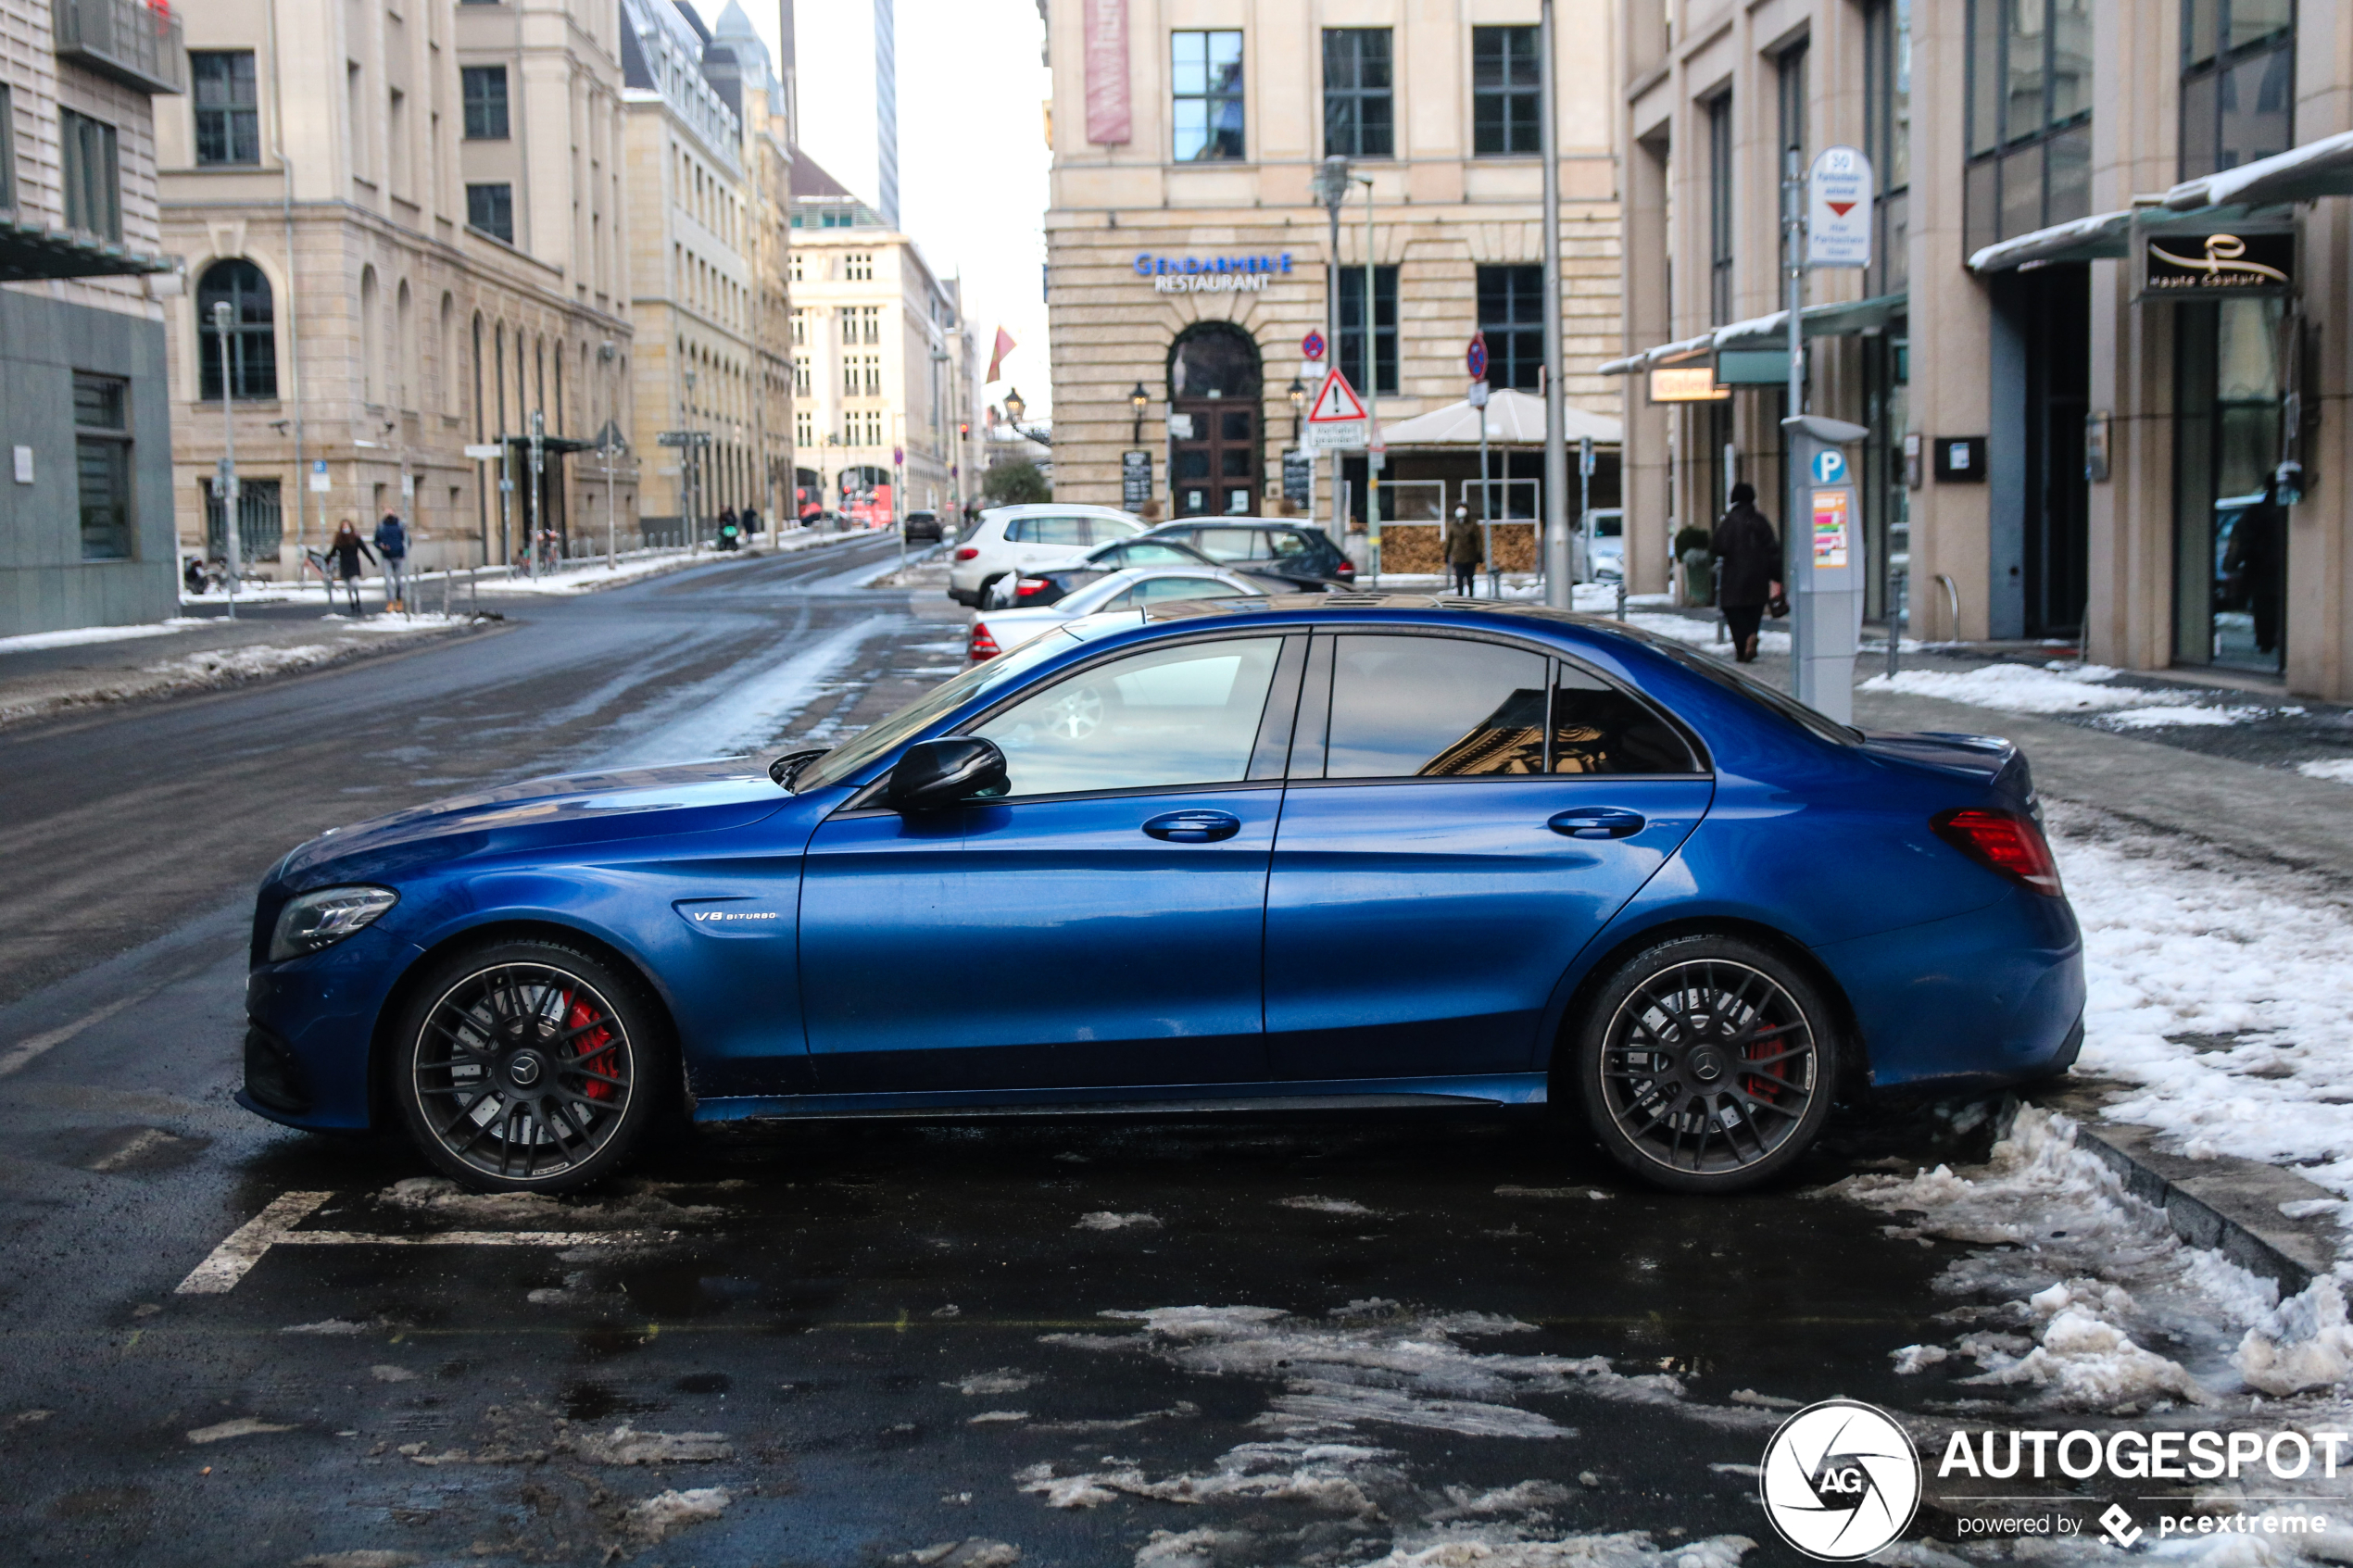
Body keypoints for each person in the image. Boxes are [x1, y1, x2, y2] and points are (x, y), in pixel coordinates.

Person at [1712, 482, 1782, 664]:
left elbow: (1718, 546)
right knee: (1753, 612)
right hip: (1759, 578)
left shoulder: (1730, 521)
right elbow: (1772, 549)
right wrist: (1776, 577)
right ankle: (1751, 636)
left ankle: (1742, 647)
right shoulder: (1760, 520)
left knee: (1733, 611)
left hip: (1734, 577)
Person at [2222, 481, 2285, 656]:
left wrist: (2231, 564)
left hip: (2262, 570)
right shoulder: (2283, 511)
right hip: (2276, 569)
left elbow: (2240, 542)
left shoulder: (2257, 512)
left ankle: (2267, 641)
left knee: (2265, 605)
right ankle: (2276, 640)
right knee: (2276, 605)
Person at [327, 520, 377, 616]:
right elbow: (333, 551)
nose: (345, 528)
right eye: (344, 526)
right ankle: (352, 604)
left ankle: (357, 601)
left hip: (354, 563)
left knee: (354, 584)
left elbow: (364, 549)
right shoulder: (339, 538)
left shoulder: (355, 537)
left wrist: (372, 560)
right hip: (344, 564)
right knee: (348, 586)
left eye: (347, 526)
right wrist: (327, 559)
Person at [1444, 504, 1485, 597]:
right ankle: (1460, 596)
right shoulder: (1453, 525)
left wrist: (1479, 553)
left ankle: (1470, 595)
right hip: (1458, 557)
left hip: (1471, 556)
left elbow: (1478, 539)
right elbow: (1449, 541)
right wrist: (1446, 554)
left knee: (1470, 578)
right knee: (1459, 578)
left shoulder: (1473, 524)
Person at [373, 510, 409, 611]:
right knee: (388, 580)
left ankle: (399, 600)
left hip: (398, 556)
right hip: (386, 557)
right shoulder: (381, 526)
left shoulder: (399, 525)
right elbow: (376, 541)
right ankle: (390, 601)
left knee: (398, 581)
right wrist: (381, 546)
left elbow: (407, 539)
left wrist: (402, 550)